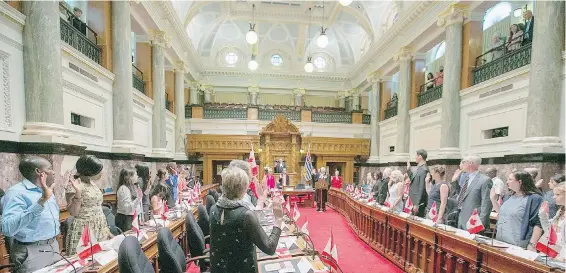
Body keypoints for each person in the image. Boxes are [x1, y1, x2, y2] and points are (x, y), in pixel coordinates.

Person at [209, 167, 283, 272]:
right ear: (243, 189)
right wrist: (279, 219)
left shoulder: (213, 209)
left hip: (218, 268)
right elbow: (270, 248)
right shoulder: (246, 215)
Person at [2, 156, 61, 273]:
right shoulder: (15, 193)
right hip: (31, 251)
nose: (54, 172)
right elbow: (8, 228)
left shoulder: (47, 190)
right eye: (50, 168)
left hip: (53, 246)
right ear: (39, 171)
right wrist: (42, 201)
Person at [65, 155, 112, 255]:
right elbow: (73, 212)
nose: (101, 173)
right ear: (89, 171)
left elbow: (97, 207)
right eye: (98, 171)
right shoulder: (74, 185)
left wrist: (106, 230)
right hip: (84, 227)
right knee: (85, 260)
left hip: (99, 224)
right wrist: (77, 193)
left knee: (101, 259)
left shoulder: (92, 183)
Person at [491, 170, 543, 250]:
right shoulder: (509, 196)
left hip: (517, 242)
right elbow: (502, 213)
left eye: (510, 179)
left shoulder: (534, 198)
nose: (507, 182)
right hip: (501, 239)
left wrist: (532, 244)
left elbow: (538, 223)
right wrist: (493, 200)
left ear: (520, 182)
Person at [456, 155, 492, 231]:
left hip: (474, 222)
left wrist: (481, 224)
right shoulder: (466, 178)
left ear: (470, 163)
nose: (460, 165)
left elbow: (486, 204)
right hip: (461, 218)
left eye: (463, 162)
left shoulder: (485, 180)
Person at [539, 182, 565, 261]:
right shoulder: (560, 211)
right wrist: (543, 215)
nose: (554, 197)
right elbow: (550, 232)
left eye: (557, 194)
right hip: (555, 257)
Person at [407, 149, 429, 217]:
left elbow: (421, 188)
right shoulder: (419, 168)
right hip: (413, 199)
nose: (415, 157)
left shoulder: (424, 170)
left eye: (416, 155)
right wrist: (409, 170)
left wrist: (417, 204)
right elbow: (413, 179)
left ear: (420, 156)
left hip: (418, 202)